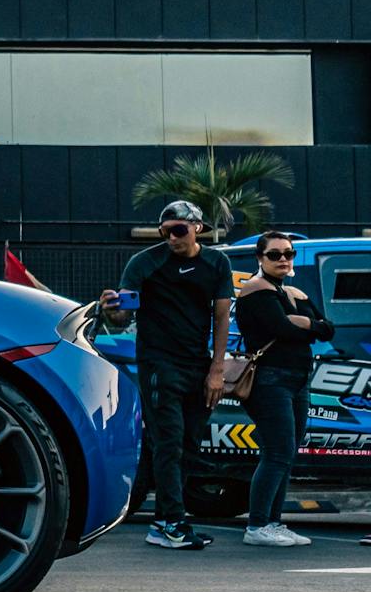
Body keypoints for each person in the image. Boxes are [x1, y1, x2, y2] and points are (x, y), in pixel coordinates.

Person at [101, 200, 234, 550]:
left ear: (197, 229)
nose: (172, 237)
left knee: (190, 444)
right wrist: (110, 309)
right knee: (168, 442)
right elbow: (122, 317)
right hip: (159, 364)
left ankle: (164, 521)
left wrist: (217, 369)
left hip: (198, 364)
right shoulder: (144, 262)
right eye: (165, 231)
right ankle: (172, 521)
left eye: (179, 230)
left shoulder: (217, 263)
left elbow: (222, 318)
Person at [234, 232, 332, 547]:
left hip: (298, 379)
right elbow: (281, 329)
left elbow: (327, 328)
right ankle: (257, 525)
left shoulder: (294, 292)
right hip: (270, 379)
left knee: (286, 454)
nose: (283, 260)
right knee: (276, 452)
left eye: (287, 253)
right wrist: (305, 325)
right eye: (274, 254)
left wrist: (304, 324)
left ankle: (273, 522)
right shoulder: (254, 290)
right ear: (260, 258)